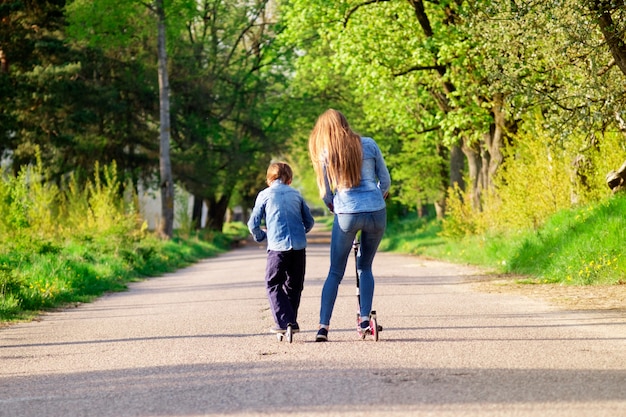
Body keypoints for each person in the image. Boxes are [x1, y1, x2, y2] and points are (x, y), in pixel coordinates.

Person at [308, 109, 391, 342]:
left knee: (335, 271)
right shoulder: (370, 144)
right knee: (365, 267)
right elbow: (385, 180)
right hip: (376, 211)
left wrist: (333, 206)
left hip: (346, 212)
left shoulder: (327, 153)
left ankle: (323, 327)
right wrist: (378, 196)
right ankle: (365, 320)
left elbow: (326, 194)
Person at [248, 162, 315, 336]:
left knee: (273, 283)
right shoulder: (296, 194)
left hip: (277, 247)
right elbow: (309, 222)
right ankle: (290, 323)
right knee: (294, 286)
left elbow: (253, 224)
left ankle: (285, 323)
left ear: (269, 179)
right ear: (289, 179)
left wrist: (262, 236)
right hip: (299, 247)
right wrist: (300, 231)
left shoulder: (265, 194)